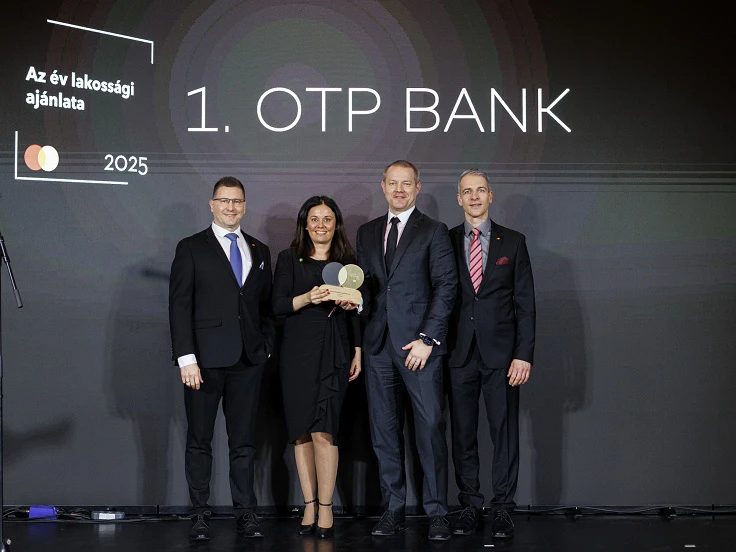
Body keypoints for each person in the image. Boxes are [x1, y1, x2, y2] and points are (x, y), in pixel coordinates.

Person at [356, 160, 457, 541]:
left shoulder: (433, 231)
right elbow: (367, 286)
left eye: (406, 183)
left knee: (430, 429)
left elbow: (446, 287)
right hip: (378, 346)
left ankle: (437, 512)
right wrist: (357, 301)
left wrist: (428, 339)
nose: (399, 189)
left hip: (419, 348)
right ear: (383, 186)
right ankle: (393, 508)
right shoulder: (367, 232)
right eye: (393, 183)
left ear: (417, 187)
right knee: (384, 432)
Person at [169, 176, 274, 541]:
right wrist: (186, 358)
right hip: (203, 362)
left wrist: (265, 347)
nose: (231, 207)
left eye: (237, 201)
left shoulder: (260, 250)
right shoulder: (191, 247)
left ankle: (246, 514)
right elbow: (179, 306)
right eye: (224, 201)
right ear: (212, 204)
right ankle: (200, 514)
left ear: (245, 206)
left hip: (248, 361)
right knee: (199, 441)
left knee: (243, 443)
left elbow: (264, 307)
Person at [447, 169, 536, 539]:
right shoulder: (445, 240)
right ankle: (470, 505)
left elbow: (525, 304)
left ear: (490, 196)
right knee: (463, 434)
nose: (474, 197)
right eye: (467, 191)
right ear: (459, 199)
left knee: (504, 433)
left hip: (502, 356)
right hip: (458, 353)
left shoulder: (513, 242)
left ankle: (502, 508)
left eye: (480, 190)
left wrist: (523, 354)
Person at [272, 196, 362, 539]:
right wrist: (309, 297)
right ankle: (309, 504)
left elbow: (357, 312)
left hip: (335, 352)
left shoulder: (348, 262)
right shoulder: (288, 259)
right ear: (305, 224)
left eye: (327, 219)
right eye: (314, 219)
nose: (321, 225)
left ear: (336, 224)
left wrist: (357, 350)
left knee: (325, 430)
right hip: (296, 354)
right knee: (301, 432)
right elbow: (277, 305)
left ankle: (326, 507)